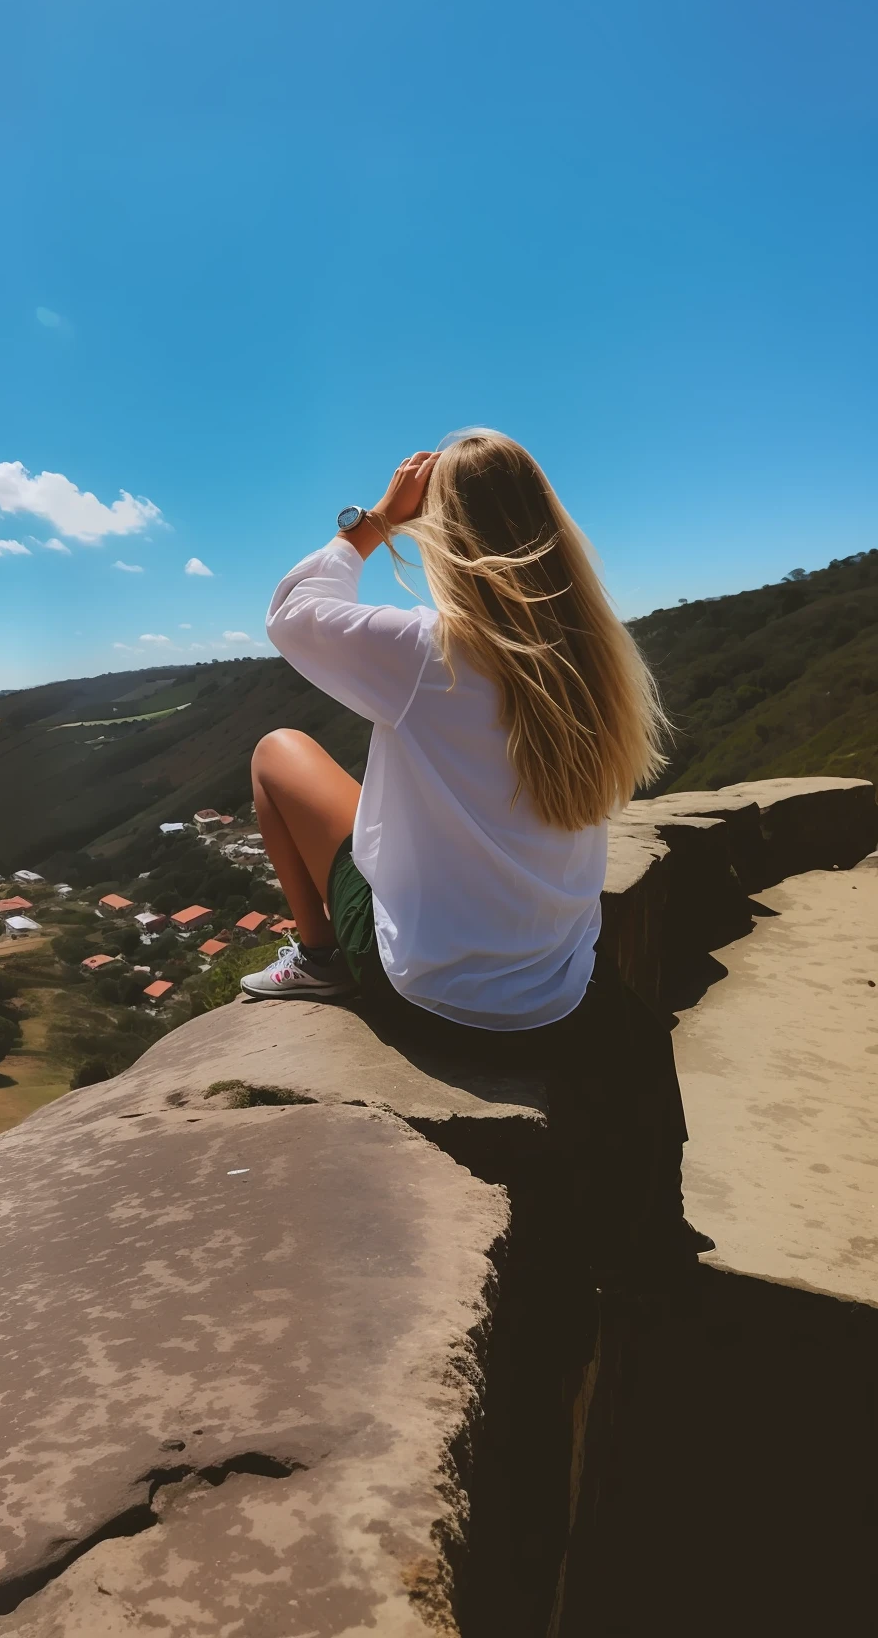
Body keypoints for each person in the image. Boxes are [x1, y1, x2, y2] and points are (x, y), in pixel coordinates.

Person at [241, 429, 703, 1281]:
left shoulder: (430, 650)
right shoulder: (596, 657)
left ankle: (318, 959)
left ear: (448, 535)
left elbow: (293, 614)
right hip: (558, 987)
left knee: (277, 750)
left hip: (434, 989)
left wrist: (375, 522)